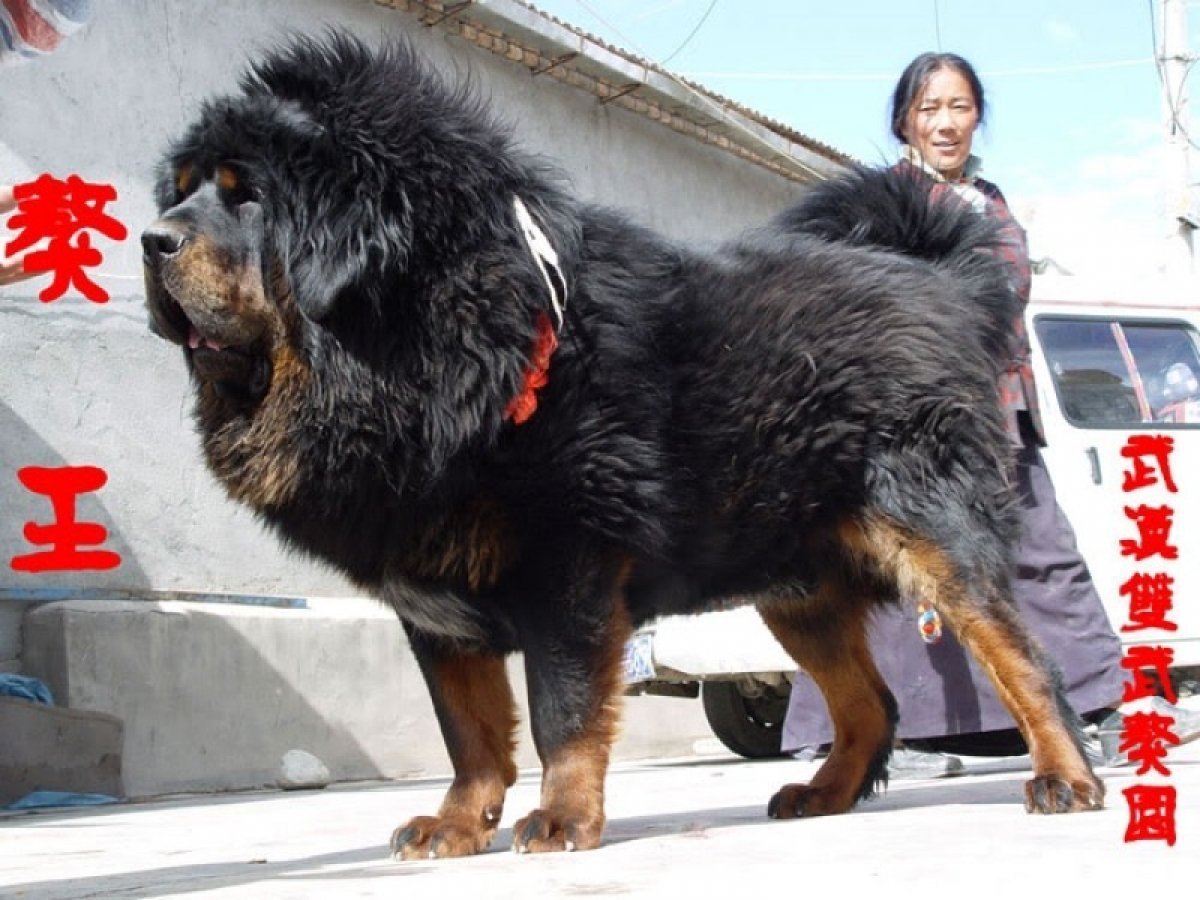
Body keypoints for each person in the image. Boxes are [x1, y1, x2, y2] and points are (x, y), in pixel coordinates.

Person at [782, 51, 1198, 777]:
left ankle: (1116, 711)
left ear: (978, 117)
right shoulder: (876, 207)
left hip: (1000, 409)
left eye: (960, 107)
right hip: (905, 426)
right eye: (929, 109)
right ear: (904, 121)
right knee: (890, 576)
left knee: (1045, 556)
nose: (945, 123)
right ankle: (875, 738)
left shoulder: (992, 203)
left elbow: (1004, 298)